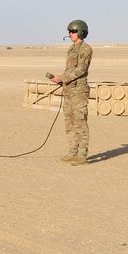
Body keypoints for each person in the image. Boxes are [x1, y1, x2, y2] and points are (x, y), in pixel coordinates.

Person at [50, 20, 92, 166]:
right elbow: (69, 69)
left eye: (73, 31)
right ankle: (72, 151)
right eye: (69, 31)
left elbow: (81, 70)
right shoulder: (72, 48)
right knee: (70, 123)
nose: (70, 34)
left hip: (79, 92)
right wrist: (61, 79)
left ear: (80, 32)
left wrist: (64, 78)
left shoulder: (85, 49)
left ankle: (82, 155)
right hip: (69, 90)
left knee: (80, 123)